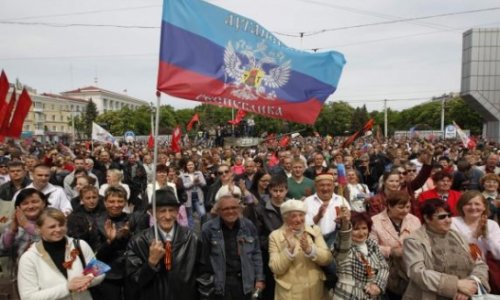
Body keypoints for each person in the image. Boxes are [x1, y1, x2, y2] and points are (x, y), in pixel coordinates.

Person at [402, 199, 490, 299]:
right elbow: (417, 273)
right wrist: (456, 284)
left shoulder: (457, 235)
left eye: (449, 215)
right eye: (442, 217)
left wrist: (470, 286)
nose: (448, 220)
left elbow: (480, 264)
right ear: (427, 218)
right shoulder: (414, 240)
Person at [126, 189, 200, 300]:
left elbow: (203, 275)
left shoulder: (192, 238)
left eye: (171, 210)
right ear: (152, 212)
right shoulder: (138, 241)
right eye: (162, 211)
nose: (168, 216)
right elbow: (133, 280)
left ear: (177, 211)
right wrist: (151, 263)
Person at [17, 208, 104, 300]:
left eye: (61, 225)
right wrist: (67, 288)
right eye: (52, 227)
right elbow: (28, 297)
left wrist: (87, 280)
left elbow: (99, 273)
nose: (58, 229)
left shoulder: (80, 245)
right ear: (39, 229)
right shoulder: (29, 258)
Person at [199, 194, 265, 300]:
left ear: (239, 209)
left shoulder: (249, 226)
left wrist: (259, 279)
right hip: (221, 286)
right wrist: (207, 285)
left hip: (245, 283)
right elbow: (203, 260)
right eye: (226, 209)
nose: (230, 211)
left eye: (234, 208)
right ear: (219, 211)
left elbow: (256, 253)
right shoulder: (208, 229)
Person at [268, 199, 333, 300]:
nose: (299, 219)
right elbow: (276, 268)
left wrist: (310, 250)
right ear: (285, 218)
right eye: (293, 216)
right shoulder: (275, 236)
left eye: (301, 215)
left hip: (316, 292)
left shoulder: (314, 231)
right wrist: (289, 250)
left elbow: (327, 259)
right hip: (289, 295)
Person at [369, 191, 421, 299]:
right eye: (401, 207)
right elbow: (370, 247)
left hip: (410, 270)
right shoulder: (375, 221)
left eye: (408, 207)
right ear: (389, 206)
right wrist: (390, 251)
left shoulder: (414, 220)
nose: (405, 211)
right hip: (386, 271)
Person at [244, 175, 287, 300]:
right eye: (275, 190)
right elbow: (258, 235)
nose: (278, 194)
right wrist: (272, 243)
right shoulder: (260, 210)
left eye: (281, 190)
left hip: (289, 251)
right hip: (269, 252)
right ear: (270, 191)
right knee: (271, 287)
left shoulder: (291, 206)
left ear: (286, 190)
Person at [333, 210, 389, 300]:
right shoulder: (345, 248)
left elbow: (384, 267)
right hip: (348, 295)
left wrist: (377, 285)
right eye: (356, 229)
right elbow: (343, 241)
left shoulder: (372, 244)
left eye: (364, 228)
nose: (361, 233)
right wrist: (345, 226)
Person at [451, 191, 500, 261]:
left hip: (485, 268)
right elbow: (454, 250)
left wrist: (486, 236)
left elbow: (498, 254)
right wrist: (474, 236)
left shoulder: (492, 225)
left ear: (484, 207)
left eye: (477, 204)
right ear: (461, 207)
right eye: (468, 204)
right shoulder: (452, 222)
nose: (473, 207)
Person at [180, 159, 207, 228]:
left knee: (203, 213)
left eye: (191, 164)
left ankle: (203, 229)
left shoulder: (199, 173)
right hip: (188, 197)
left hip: (198, 196)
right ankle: (191, 234)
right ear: (186, 166)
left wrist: (198, 182)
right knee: (189, 216)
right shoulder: (183, 175)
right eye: (188, 165)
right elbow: (185, 186)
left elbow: (204, 184)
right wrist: (193, 182)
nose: (190, 166)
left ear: (194, 165)